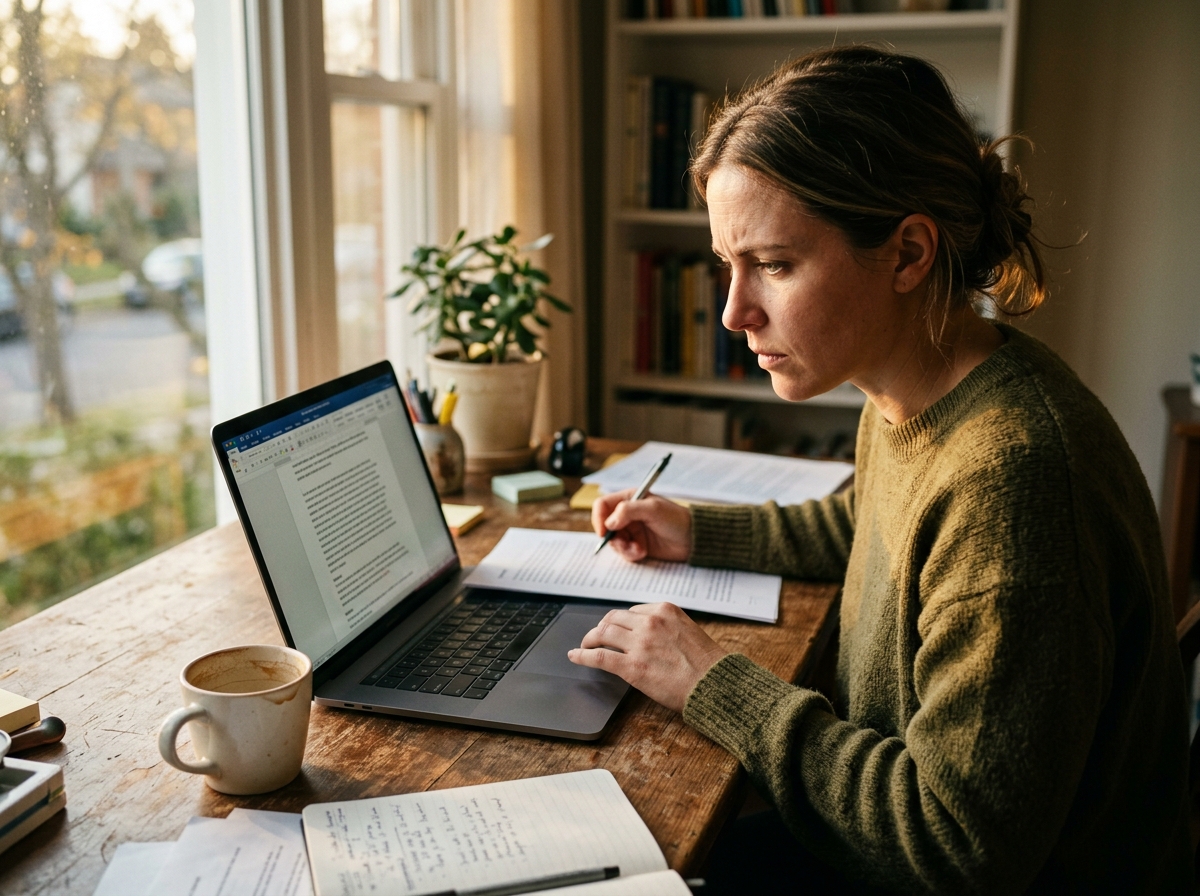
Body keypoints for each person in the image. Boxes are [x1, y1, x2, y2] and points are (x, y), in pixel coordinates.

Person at [568, 47, 1193, 894]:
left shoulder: (1014, 482)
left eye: (774, 265)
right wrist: (699, 529)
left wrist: (713, 683)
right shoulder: (918, 386)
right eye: (727, 265)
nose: (733, 313)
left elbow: (957, 844)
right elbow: (872, 524)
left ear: (907, 254)